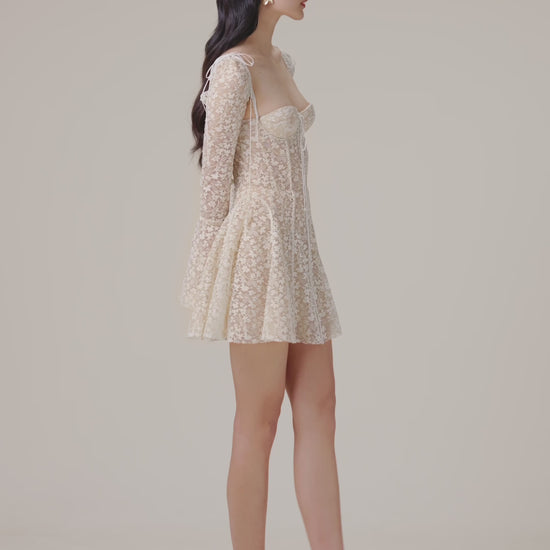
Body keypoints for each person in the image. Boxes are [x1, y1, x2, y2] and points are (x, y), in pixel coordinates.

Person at [178, 1, 345, 548]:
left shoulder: (280, 60)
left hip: (297, 247)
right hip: (257, 252)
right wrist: (206, 284)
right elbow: (214, 192)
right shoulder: (233, 71)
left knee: (321, 408)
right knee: (260, 419)